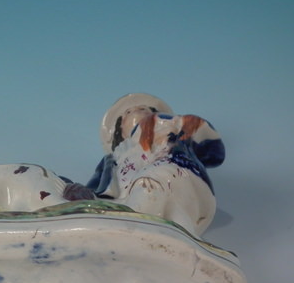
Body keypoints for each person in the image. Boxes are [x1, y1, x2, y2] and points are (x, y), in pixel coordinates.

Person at [86, 93, 225, 235]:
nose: (136, 110)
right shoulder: (114, 157)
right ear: (119, 128)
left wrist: (179, 129)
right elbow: (95, 185)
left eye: (143, 109)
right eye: (128, 112)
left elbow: (214, 152)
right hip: (124, 201)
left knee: (151, 185)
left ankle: (138, 230)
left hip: (167, 179)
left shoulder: (168, 129)